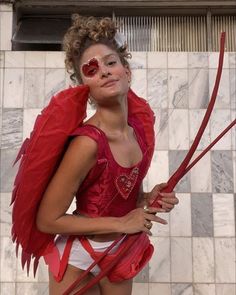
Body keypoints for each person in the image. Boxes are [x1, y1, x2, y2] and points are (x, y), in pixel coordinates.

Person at [36, 14, 179, 295]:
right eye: (91, 69)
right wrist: (124, 223)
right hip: (78, 255)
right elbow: (47, 220)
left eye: (111, 62)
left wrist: (145, 198)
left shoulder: (139, 132)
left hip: (121, 249)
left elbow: (112, 193)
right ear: (84, 88)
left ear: (127, 71)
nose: (103, 71)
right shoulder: (87, 143)